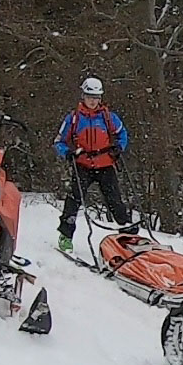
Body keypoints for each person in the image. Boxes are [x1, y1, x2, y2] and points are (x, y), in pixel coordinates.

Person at [54, 76, 135, 251]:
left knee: (115, 201)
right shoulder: (73, 118)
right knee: (73, 201)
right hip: (82, 165)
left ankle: (129, 236)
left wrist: (119, 148)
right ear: (83, 96)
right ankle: (65, 236)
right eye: (90, 97)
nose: (93, 101)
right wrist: (67, 153)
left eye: (96, 97)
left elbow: (123, 134)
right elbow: (58, 141)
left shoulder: (108, 117)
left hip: (105, 165)